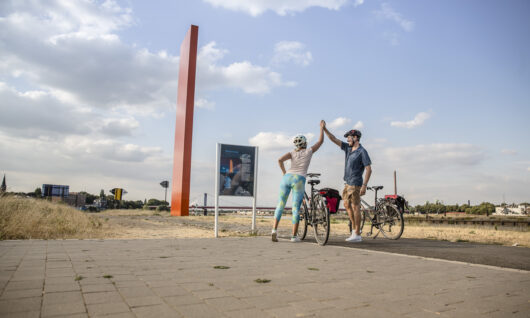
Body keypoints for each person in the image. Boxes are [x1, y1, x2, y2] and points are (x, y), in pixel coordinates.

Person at [272, 120, 325, 242]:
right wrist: (322, 128)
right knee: (295, 208)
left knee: (280, 204)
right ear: (305, 143)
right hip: (299, 179)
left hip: (287, 178)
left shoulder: (291, 153)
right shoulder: (308, 151)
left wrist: (284, 173)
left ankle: (274, 230)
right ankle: (294, 236)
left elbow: (279, 160)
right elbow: (320, 142)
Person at [323, 124, 372, 242]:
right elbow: (334, 139)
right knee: (346, 205)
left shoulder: (362, 151)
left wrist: (364, 185)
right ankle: (354, 230)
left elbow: (369, 169)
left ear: (355, 138)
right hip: (347, 182)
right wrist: (324, 129)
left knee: (356, 207)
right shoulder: (348, 148)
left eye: (349, 138)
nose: (347, 140)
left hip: (355, 183)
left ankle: (357, 234)